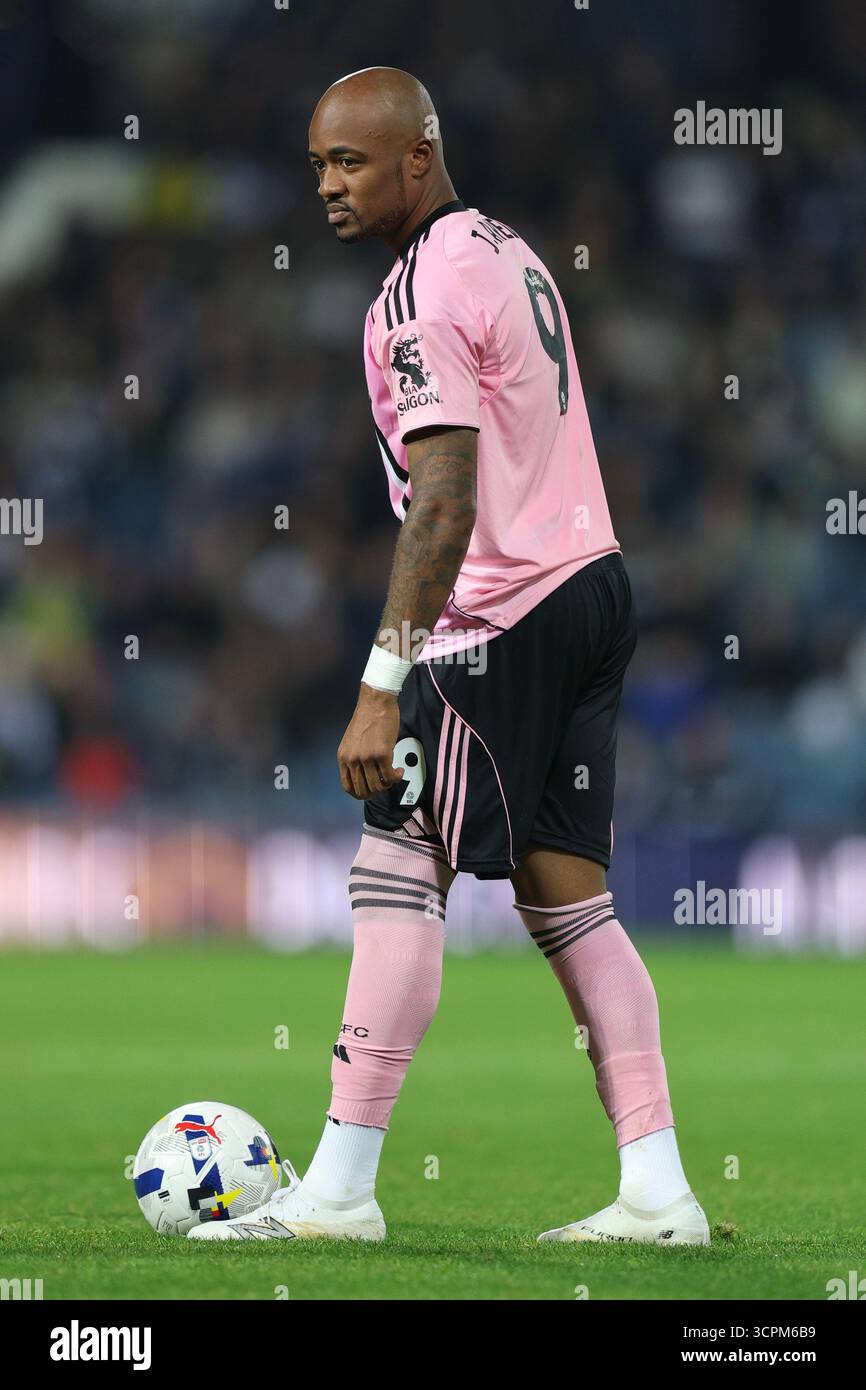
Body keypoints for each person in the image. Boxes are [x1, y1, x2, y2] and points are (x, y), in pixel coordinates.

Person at [189, 66, 708, 1246]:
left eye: (349, 162)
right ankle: (658, 1190)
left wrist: (382, 688)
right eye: (317, 161)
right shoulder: (507, 250)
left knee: (395, 870)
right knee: (567, 896)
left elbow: (442, 504)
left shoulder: (415, 292)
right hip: (590, 586)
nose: (324, 184)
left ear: (415, 156)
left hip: (501, 614)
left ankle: (337, 1190)